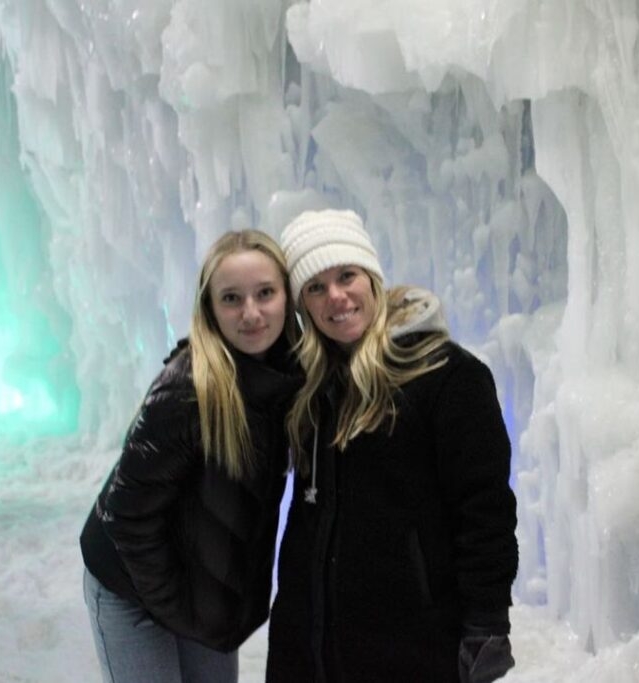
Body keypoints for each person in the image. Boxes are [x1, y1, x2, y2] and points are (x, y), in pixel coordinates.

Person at [266, 209, 518, 683]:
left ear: (372, 278)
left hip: (413, 647)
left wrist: (486, 624)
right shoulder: (310, 385)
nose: (336, 297)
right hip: (309, 643)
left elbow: (485, 510)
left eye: (346, 276)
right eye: (315, 288)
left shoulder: (448, 376)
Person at [80, 229, 302, 683]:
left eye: (265, 293)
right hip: (130, 588)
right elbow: (128, 518)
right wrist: (178, 608)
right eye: (231, 298)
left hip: (197, 594)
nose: (252, 313)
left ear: (287, 297)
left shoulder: (290, 378)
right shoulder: (189, 390)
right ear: (210, 308)